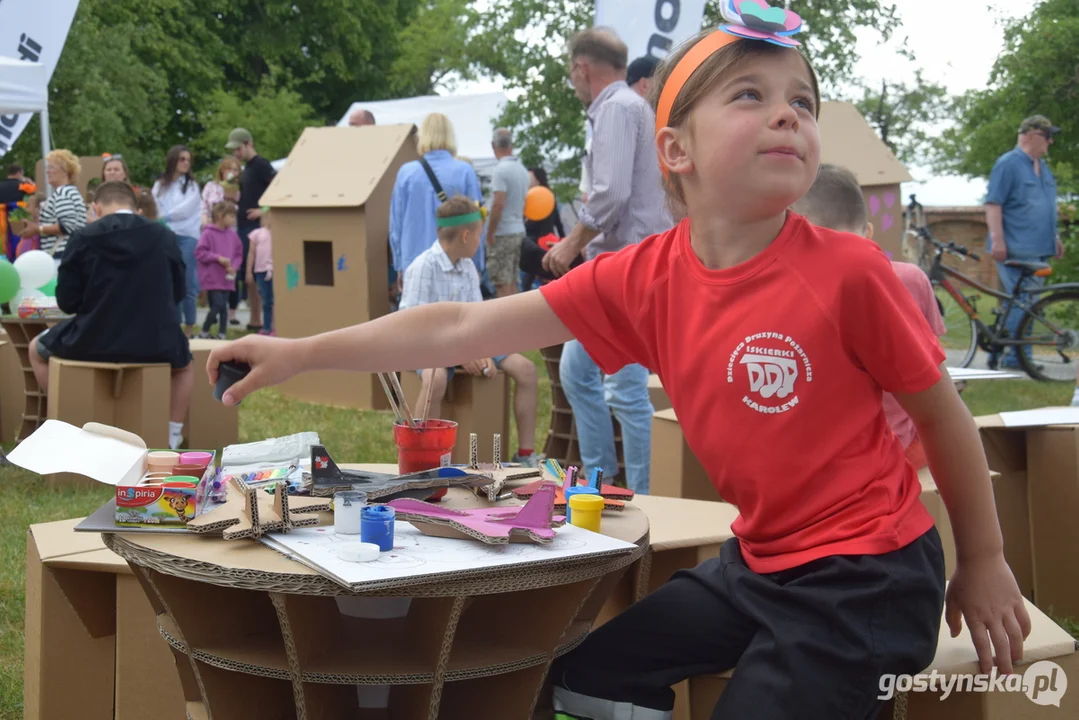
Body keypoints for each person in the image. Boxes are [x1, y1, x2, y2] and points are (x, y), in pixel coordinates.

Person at [207, 9, 1030, 719]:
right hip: (759, 563)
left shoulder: (849, 274)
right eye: (751, 95)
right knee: (590, 674)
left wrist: (985, 563)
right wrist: (298, 352)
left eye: (802, 102)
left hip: (868, 575)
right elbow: (459, 324)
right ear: (675, 149)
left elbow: (939, 413)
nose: (788, 115)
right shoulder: (645, 276)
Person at [542, 28, 672, 495]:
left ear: (582, 68)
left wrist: (570, 244)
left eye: (571, 72)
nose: (573, 81)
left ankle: (644, 496)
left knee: (626, 392)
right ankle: (599, 483)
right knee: (577, 373)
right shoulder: (627, 108)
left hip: (627, 268)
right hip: (620, 267)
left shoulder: (617, 109)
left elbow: (612, 194)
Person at [791, 163, 946, 470]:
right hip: (909, 452)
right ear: (869, 232)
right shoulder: (913, 279)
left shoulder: (797, 290)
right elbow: (940, 374)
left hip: (836, 462)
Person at [29, 181, 193, 450]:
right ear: (134, 207)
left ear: (96, 207)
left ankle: (68, 425)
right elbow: (178, 293)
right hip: (155, 342)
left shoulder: (83, 236)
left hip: (91, 340)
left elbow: (68, 303)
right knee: (185, 367)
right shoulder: (164, 236)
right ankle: (171, 436)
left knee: (37, 349)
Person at [398, 196, 538, 466]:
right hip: (429, 347)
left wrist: (480, 349)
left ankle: (525, 454)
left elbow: (477, 318)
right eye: (478, 235)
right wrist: (460, 354)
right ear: (465, 235)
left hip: (466, 344)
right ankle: (422, 456)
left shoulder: (468, 267)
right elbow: (414, 329)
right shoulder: (423, 267)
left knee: (527, 370)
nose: (479, 242)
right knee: (435, 381)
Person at [985, 115, 1063, 369]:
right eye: (1047, 136)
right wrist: (997, 240)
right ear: (1031, 135)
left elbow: (1045, 206)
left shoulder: (1042, 167)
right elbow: (994, 203)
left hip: (1040, 250)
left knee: (1028, 305)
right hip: (1016, 248)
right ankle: (1016, 357)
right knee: (1021, 303)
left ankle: (1007, 353)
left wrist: (1056, 237)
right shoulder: (1008, 164)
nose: (1050, 142)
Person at [389, 113, 485, 301]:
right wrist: (478, 265)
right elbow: (476, 224)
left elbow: (396, 226)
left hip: (413, 262)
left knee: (418, 323)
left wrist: (399, 266)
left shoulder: (406, 173)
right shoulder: (464, 171)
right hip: (458, 263)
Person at [227, 128, 276, 331]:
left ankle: (262, 319)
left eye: (238, 149)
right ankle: (255, 318)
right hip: (244, 226)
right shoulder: (246, 168)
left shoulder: (262, 165)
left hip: (257, 227)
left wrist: (263, 209)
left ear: (249, 144)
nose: (236, 154)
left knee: (258, 273)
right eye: (234, 150)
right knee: (249, 276)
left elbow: (279, 187)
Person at [153, 145, 202, 337]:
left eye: (188, 160)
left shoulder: (192, 186)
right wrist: (161, 220)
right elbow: (154, 205)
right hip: (166, 234)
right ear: (173, 160)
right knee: (169, 280)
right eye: (182, 159)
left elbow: (187, 209)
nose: (186, 163)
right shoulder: (160, 185)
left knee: (187, 280)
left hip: (187, 236)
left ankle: (189, 328)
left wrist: (165, 216)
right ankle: (173, 325)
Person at [485, 128, 531, 298]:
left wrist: (490, 233)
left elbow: (498, 204)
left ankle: (505, 323)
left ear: (493, 145)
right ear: (513, 144)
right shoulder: (522, 170)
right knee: (512, 281)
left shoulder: (500, 170)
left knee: (501, 283)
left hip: (502, 232)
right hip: (518, 229)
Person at [22, 149, 86, 263]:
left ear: (65, 171)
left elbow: (67, 226)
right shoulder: (71, 192)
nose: (47, 171)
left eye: (51, 167)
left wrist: (37, 229)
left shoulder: (63, 193)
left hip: (61, 256)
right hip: (69, 253)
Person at [195, 201, 244, 340]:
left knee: (224, 307)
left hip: (227, 277)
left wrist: (234, 266)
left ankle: (222, 334)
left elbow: (238, 254)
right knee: (218, 305)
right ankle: (204, 331)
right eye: (231, 216)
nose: (234, 219)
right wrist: (218, 258)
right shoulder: (208, 234)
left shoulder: (233, 236)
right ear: (219, 216)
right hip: (212, 277)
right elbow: (200, 253)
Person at [520, 167, 567, 290]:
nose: (529, 181)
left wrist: (563, 239)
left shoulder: (546, 197)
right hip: (533, 243)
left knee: (542, 280)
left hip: (543, 242)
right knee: (531, 280)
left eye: (531, 178)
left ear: (538, 180)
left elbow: (557, 221)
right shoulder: (528, 198)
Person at [247, 210, 275, 335]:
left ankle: (276, 327)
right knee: (266, 300)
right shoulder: (256, 234)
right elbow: (251, 253)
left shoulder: (278, 233)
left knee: (276, 301)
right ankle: (267, 327)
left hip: (275, 271)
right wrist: (249, 272)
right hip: (260, 271)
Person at [88, 155, 132, 223]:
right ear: (103, 174)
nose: (112, 172)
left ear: (125, 174)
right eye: (109, 170)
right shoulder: (98, 195)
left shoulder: (132, 194)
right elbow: (90, 216)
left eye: (116, 169)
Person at [200, 156, 242, 229]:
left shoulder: (238, 190)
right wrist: (204, 219)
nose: (232, 172)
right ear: (223, 170)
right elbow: (203, 205)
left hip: (229, 229)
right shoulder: (211, 185)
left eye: (235, 170)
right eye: (229, 169)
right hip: (211, 225)